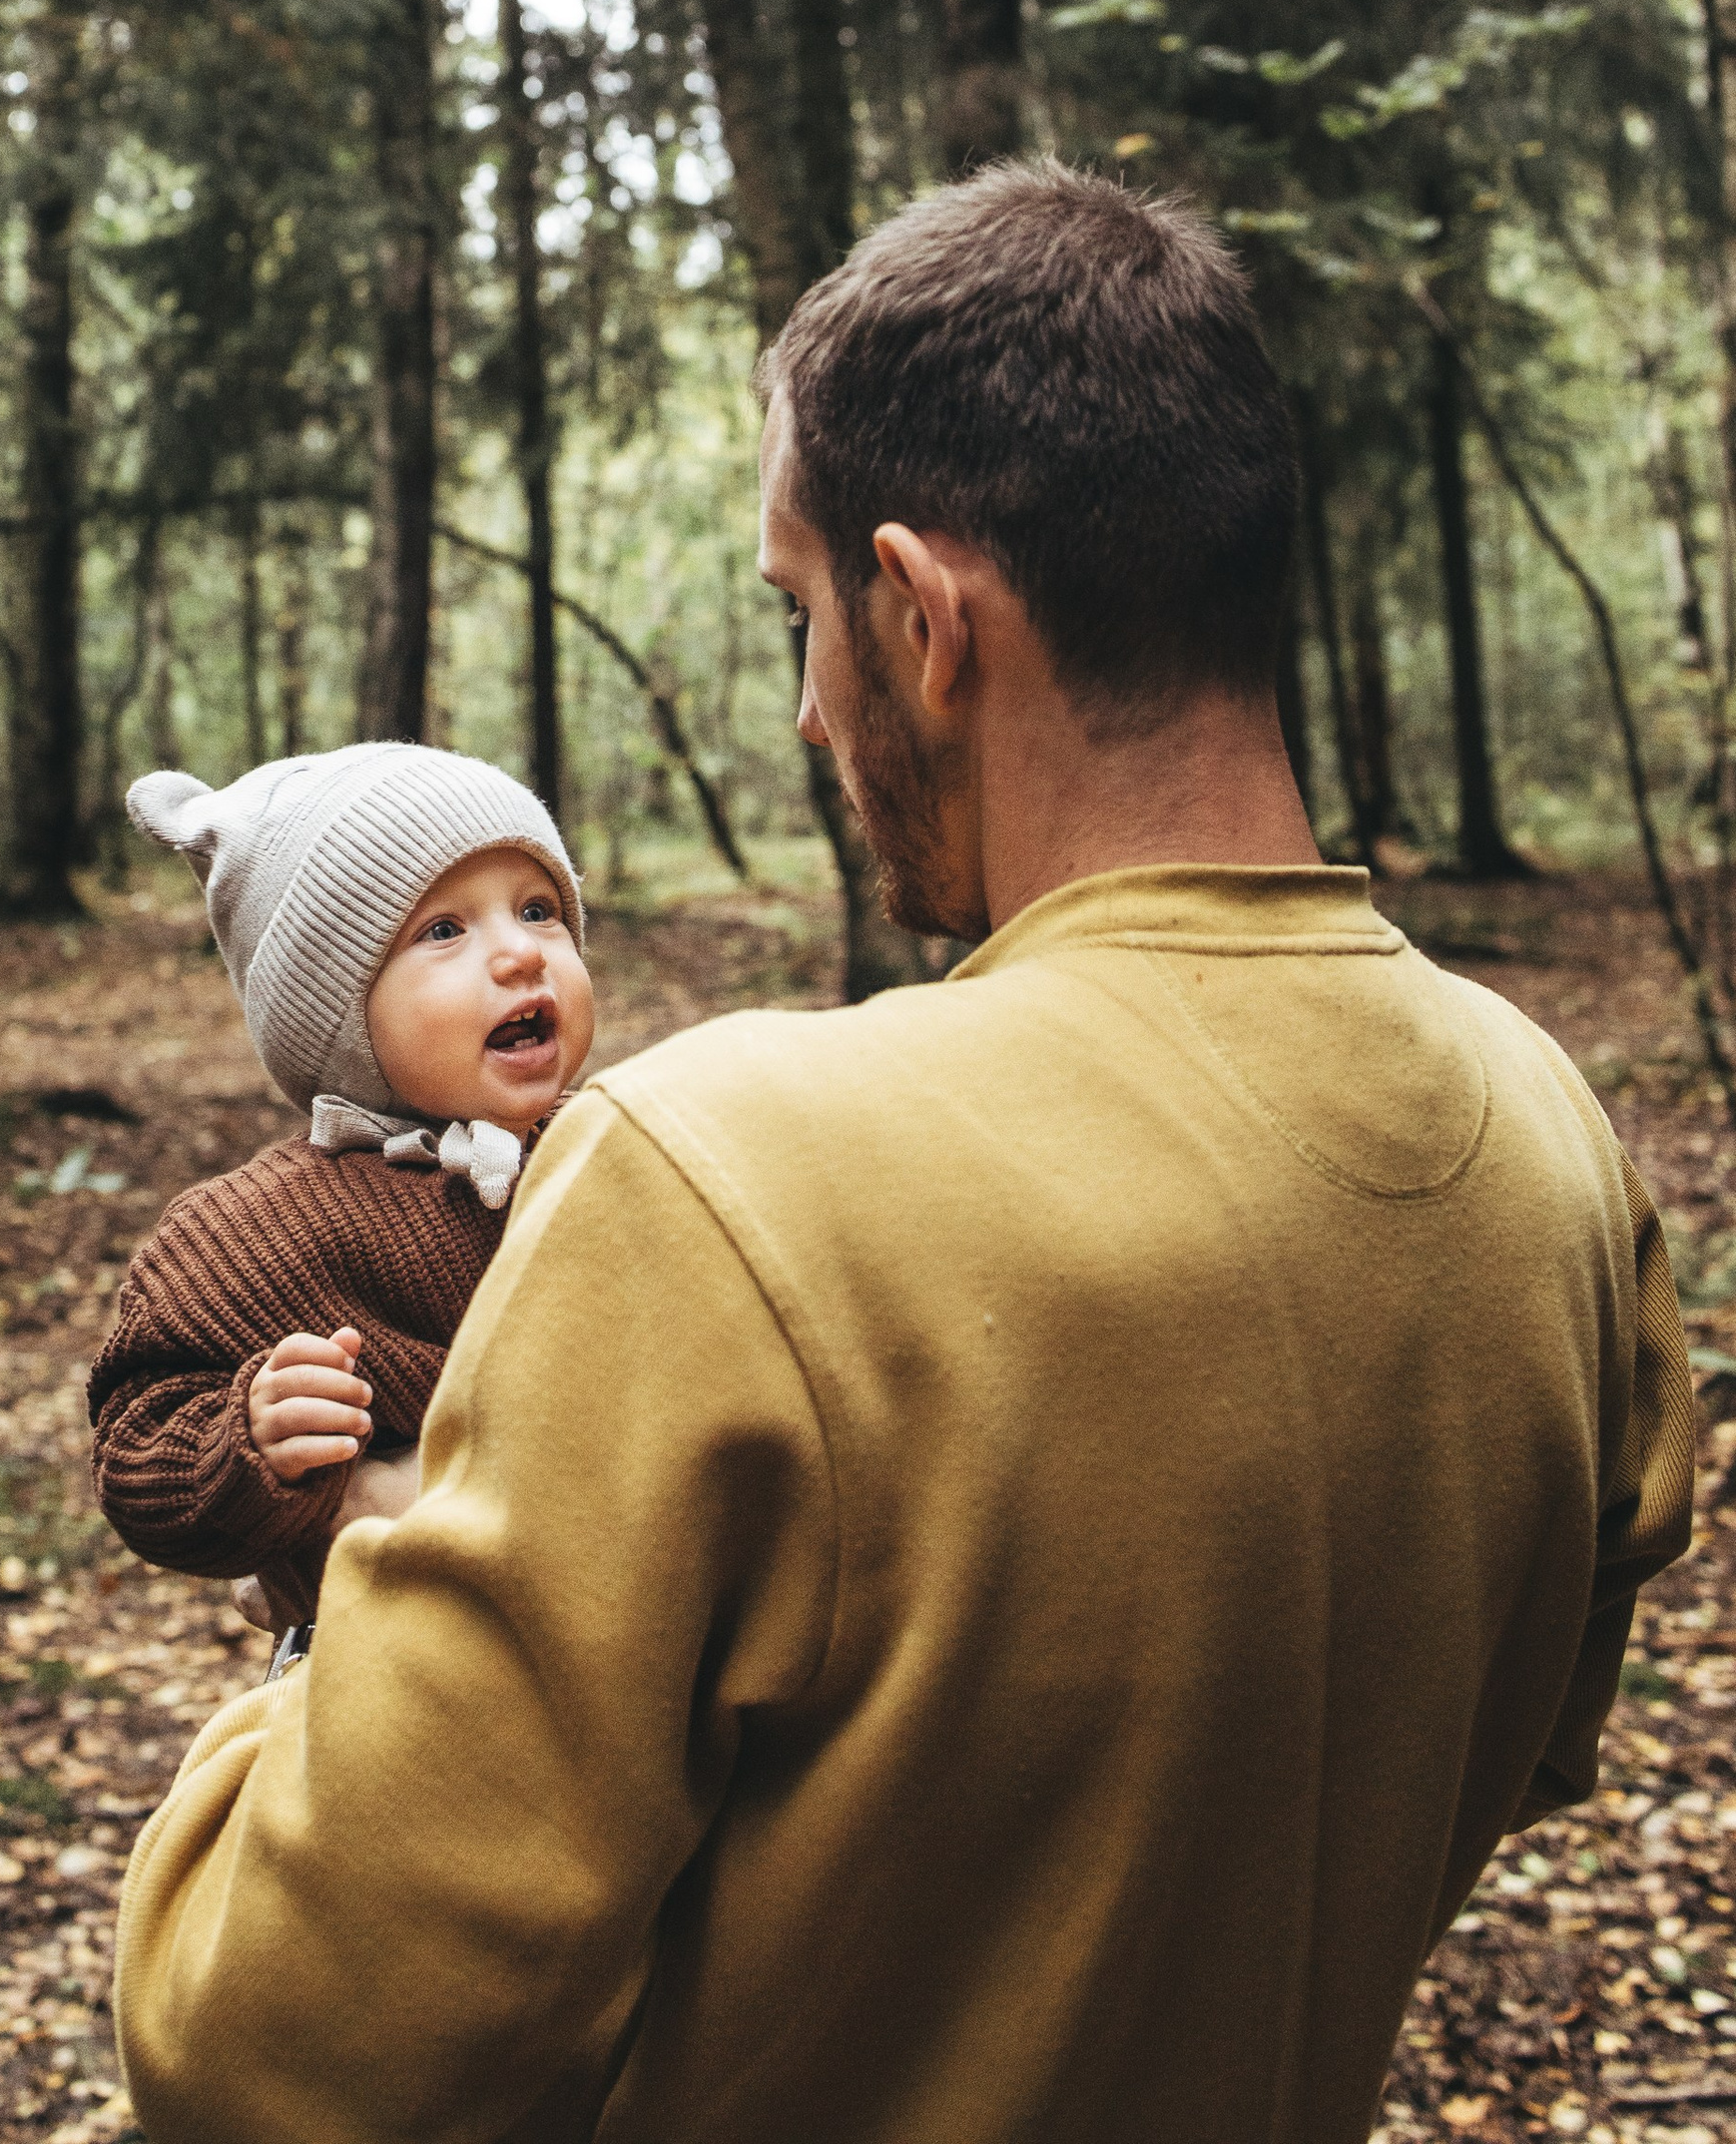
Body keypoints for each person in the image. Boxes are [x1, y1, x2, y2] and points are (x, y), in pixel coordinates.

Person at [113, 160, 1695, 2144]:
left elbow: (268, 2052)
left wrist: (322, 1611)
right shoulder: (1556, 1156)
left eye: (799, 615)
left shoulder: (717, 1177)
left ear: (924, 618)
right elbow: (1503, 1748)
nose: (797, 707)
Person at [89, 742, 595, 1634]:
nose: (520, 953)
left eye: (539, 909)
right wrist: (248, 1442)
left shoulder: (613, 1144)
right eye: (444, 930)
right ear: (334, 1010)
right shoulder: (262, 1226)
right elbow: (139, 1439)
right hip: (415, 1684)